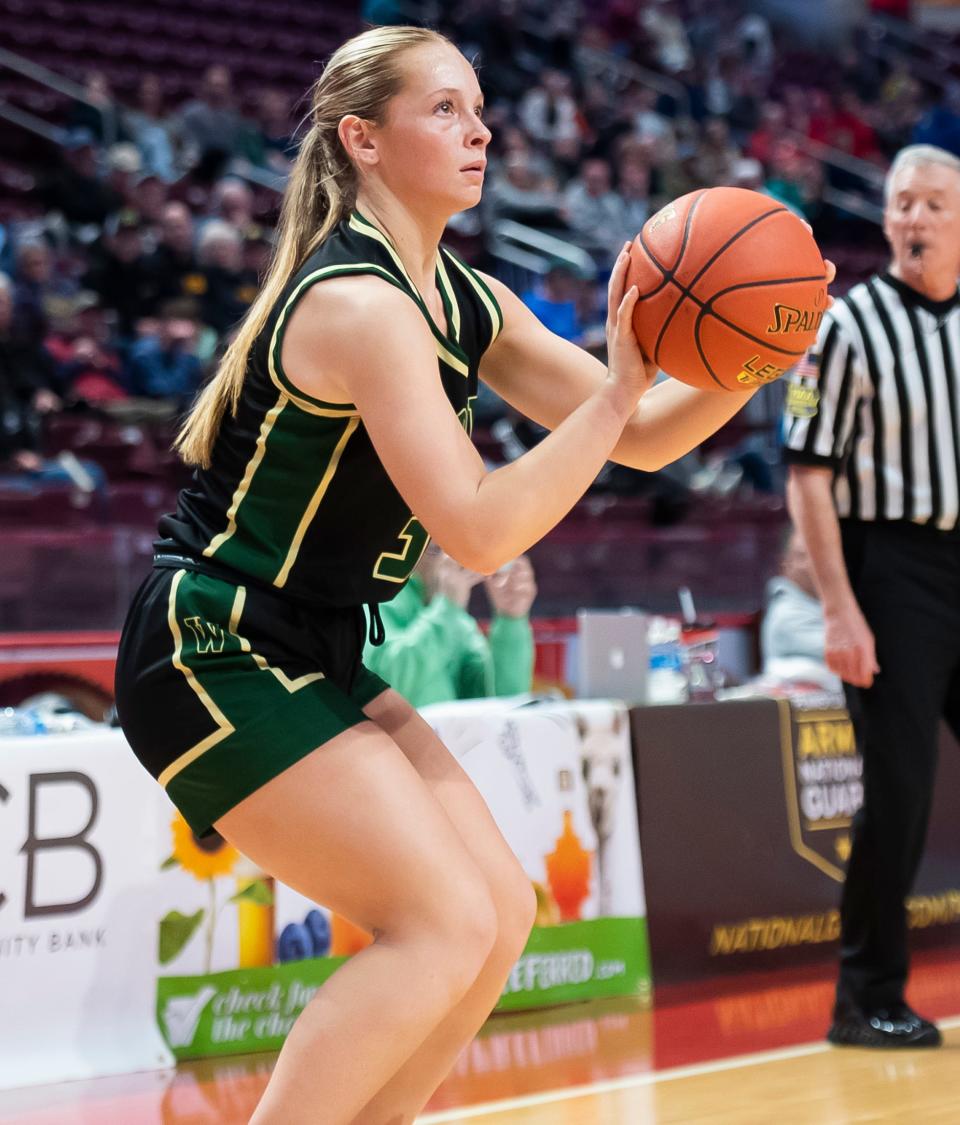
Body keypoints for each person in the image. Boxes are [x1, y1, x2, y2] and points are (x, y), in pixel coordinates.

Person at [115, 26, 827, 1124]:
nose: (480, 128)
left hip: (309, 647)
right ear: (361, 138)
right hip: (213, 644)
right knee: (440, 919)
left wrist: (758, 353)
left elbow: (640, 439)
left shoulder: (460, 295)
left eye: (479, 106)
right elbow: (485, 531)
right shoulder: (360, 306)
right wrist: (615, 392)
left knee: (497, 913)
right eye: (443, 108)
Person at [784, 143, 960, 1050]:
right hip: (892, 573)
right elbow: (807, 475)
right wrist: (840, 608)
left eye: (934, 203)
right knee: (899, 791)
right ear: (886, 219)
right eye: (903, 204)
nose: (917, 218)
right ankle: (867, 996)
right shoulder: (844, 327)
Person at [363, 546, 536, 707]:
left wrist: (510, 620)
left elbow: (502, 704)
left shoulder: (456, 620)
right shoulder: (374, 600)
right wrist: (447, 608)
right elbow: (386, 689)